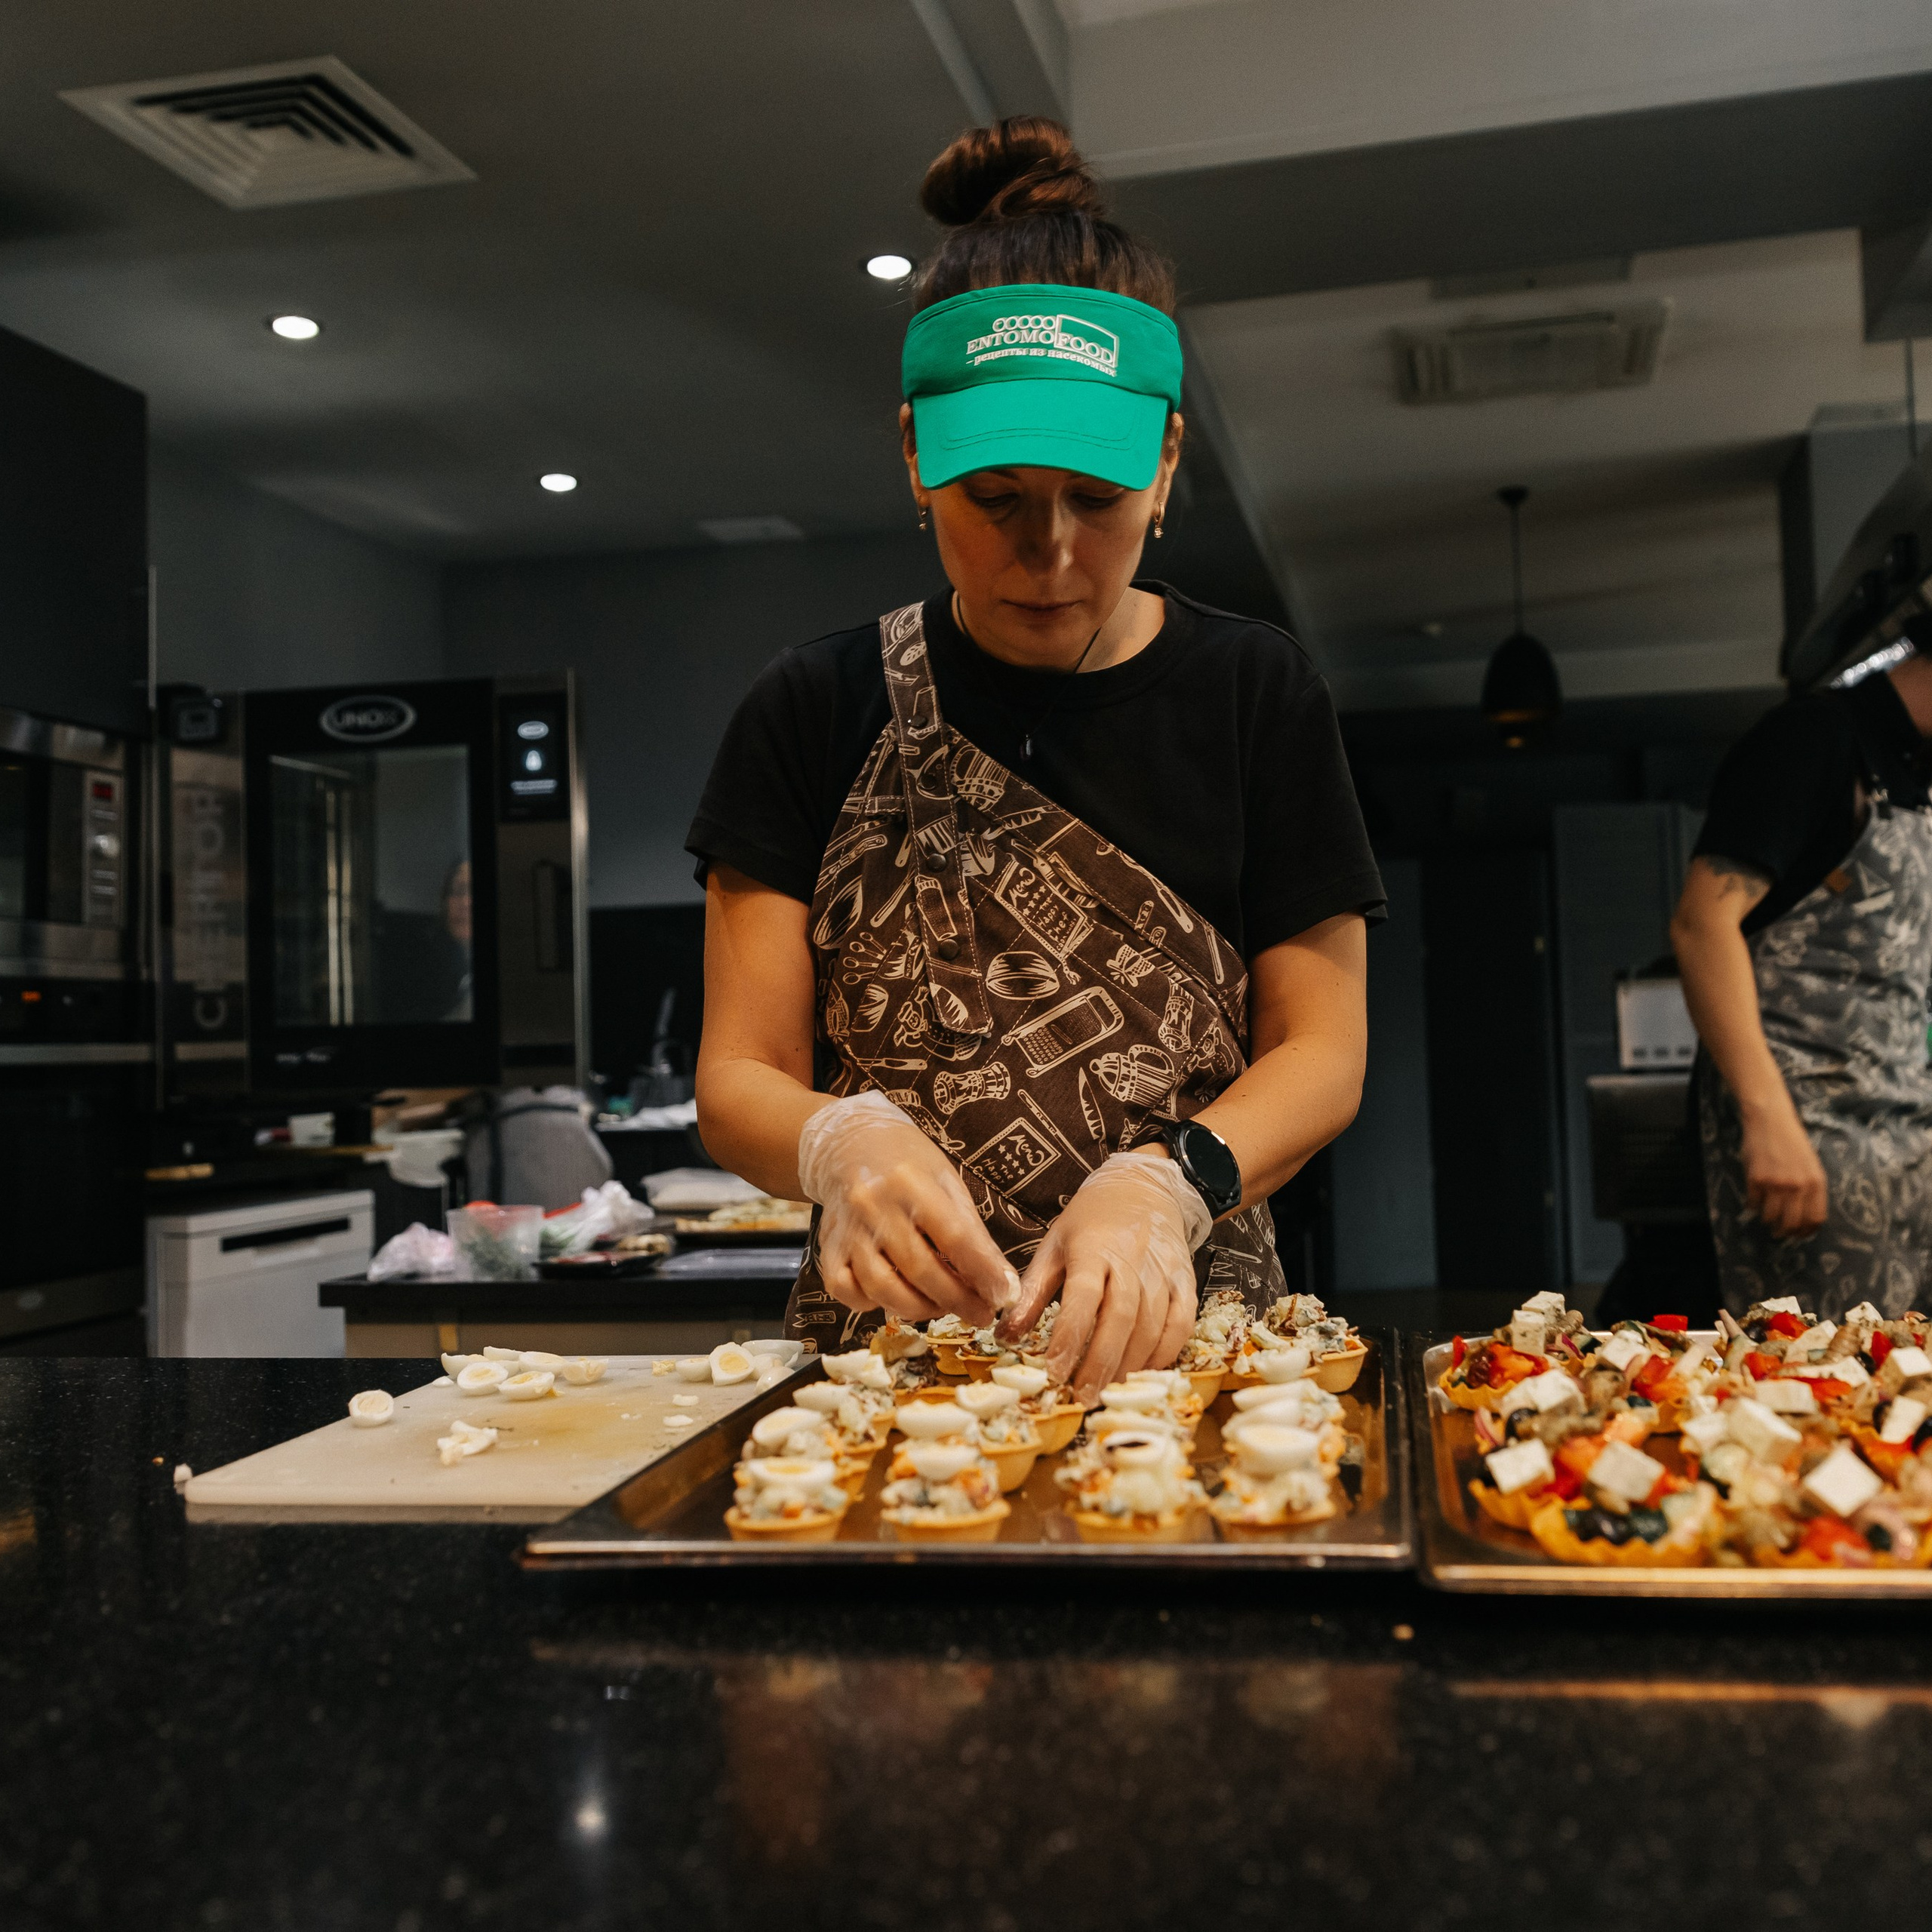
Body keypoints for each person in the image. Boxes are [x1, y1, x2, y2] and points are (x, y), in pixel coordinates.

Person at [687, 118, 1383, 1401]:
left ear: (1168, 464)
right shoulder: (810, 706)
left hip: (1189, 1357)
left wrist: (1172, 1180)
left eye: (1099, 499)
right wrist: (839, 1138)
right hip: (886, 1371)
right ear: (915, 459)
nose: (1050, 553)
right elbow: (738, 1078)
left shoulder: (1253, 692)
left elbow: (1323, 1050)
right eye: (994, 499)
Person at [1671, 632, 1932, 1318]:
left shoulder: (1914, 774)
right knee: (1816, 1377)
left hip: (1906, 1133)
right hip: (1810, 1138)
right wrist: (1769, 1116)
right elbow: (1701, 927)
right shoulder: (1814, 740)